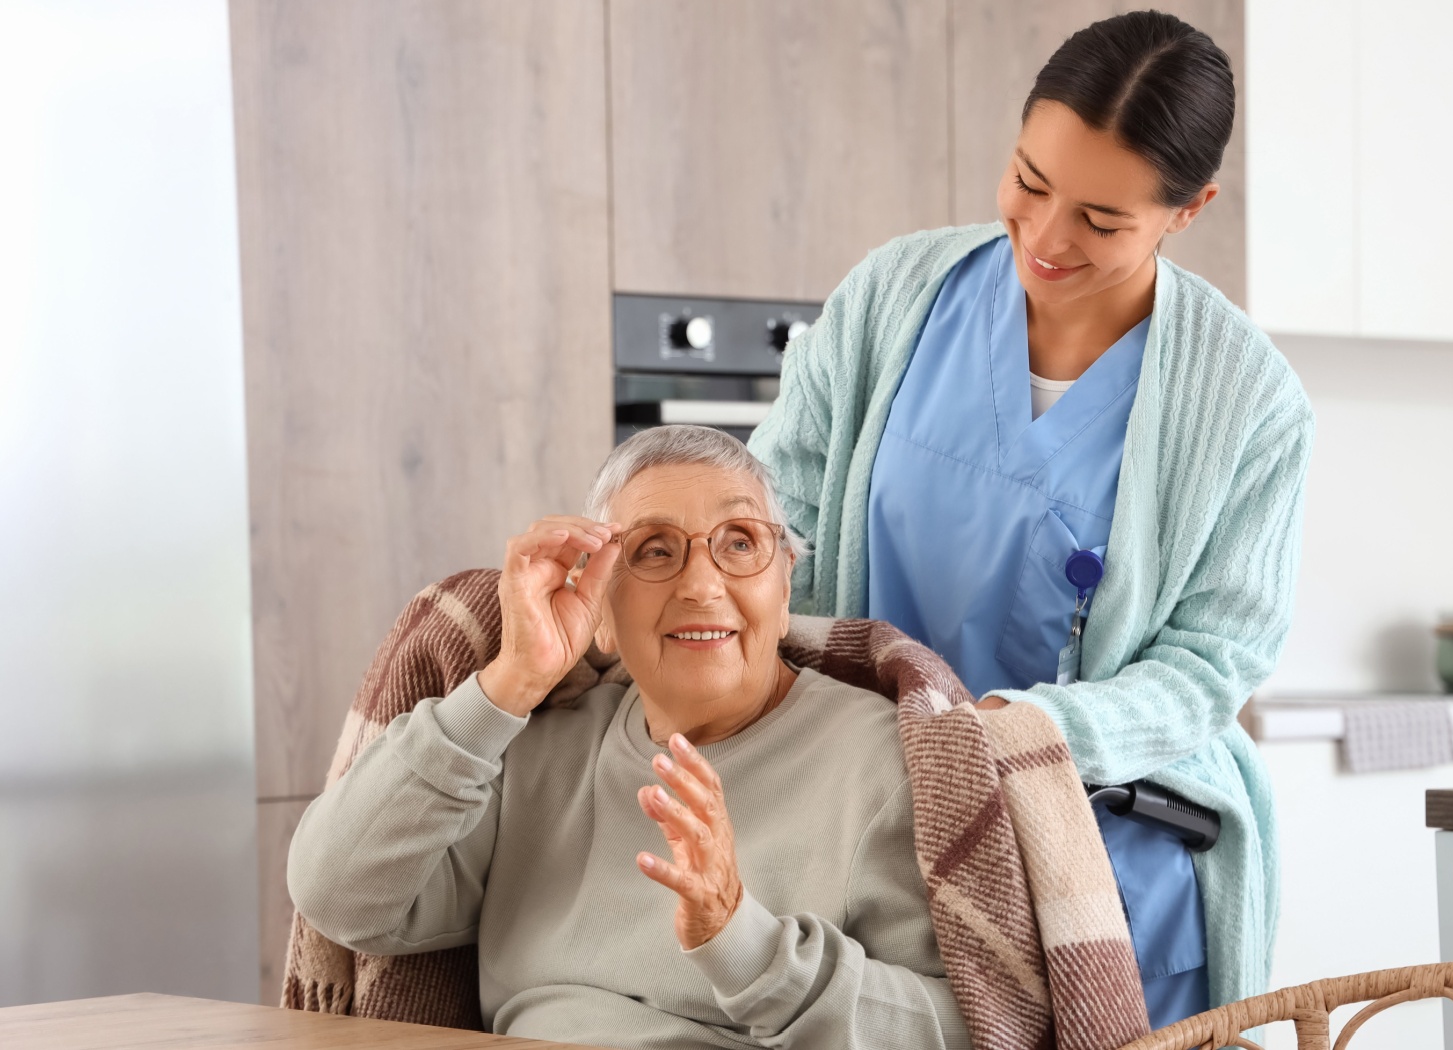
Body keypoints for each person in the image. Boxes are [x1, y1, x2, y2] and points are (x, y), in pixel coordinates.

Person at [749, 10, 1313, 1027]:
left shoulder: (1248, 402)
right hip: (867, 811)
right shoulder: (893, 297)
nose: (1047, 239)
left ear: (1187, 213)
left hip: (1106, 843)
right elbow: (769, 523)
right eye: (1029, 181)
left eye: (1101, 221)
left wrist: (1032, 733)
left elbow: (1212, 663)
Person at [287, 425, 971, 1050]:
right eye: (654, 550)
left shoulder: (879, 761)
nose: (702, 585)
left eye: (739, 542)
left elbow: (958, 1031)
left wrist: (745, 942)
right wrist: (509, 683)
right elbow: (338, 897)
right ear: (601, 613)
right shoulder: (533, 749)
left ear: (785, 585)